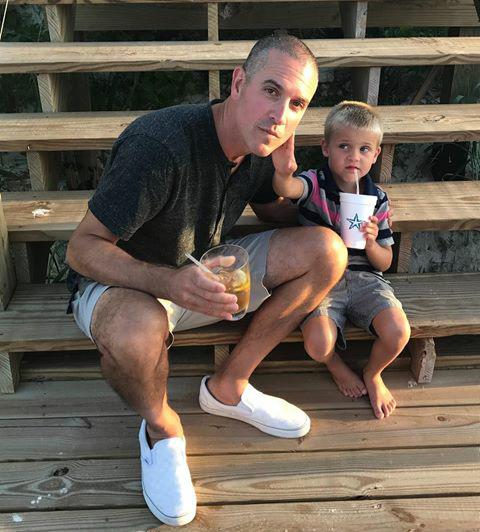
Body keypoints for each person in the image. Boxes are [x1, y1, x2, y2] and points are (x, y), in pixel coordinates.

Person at [65, 34, 347, 527]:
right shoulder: (160, 146)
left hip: (204, 275)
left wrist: (288, 181)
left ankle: (229, 386)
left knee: (328, 252)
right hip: (123, 283)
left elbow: (277, 217)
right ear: (238, 83)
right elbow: (82, 248)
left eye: (296, 104)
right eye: (271, 90)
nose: (280, 115)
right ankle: (161, 428)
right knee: (136, 332)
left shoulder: (261, 146)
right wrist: (169, 283)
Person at [272, 100, 411, 420]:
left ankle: (373, 373)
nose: (354, 156)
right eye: (344, 146)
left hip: (366, 279)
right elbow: (288, 188)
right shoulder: (315, 184)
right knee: (318, 345)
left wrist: (372, 242)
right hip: (322, 280)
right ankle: (335, 365)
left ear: (376, 155)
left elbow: (385, 261)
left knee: (398, 332)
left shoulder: (377, 199)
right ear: (326, 148)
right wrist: (282, 173)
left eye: (364, 149)